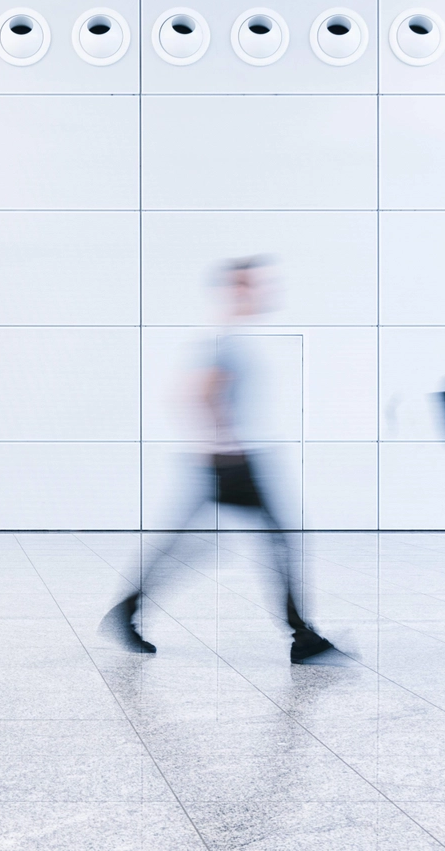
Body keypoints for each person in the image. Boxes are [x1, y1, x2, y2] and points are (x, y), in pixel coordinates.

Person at [101, 257, 338, 664]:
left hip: (231, 458)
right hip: (233, 460)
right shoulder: (226, 339)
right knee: (277, 541)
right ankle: (302, 637)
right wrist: (224, 442)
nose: (260, 291)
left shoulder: (234, 337)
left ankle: (127, 610)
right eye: (251, 284)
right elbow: (197, 393)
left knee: (200, 545)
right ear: (234, 290)